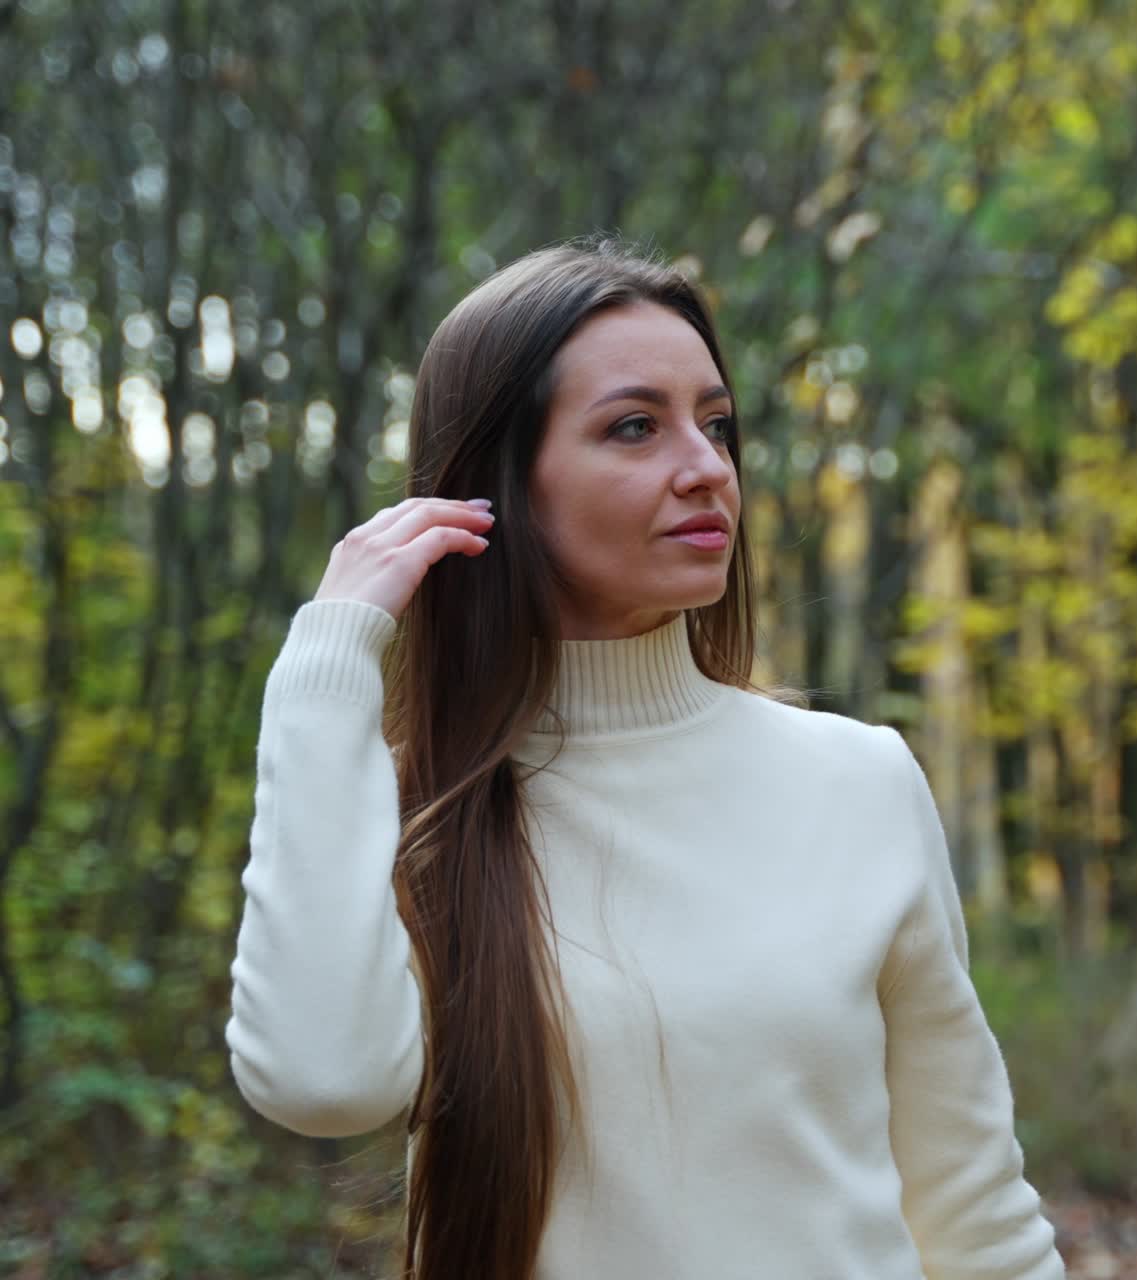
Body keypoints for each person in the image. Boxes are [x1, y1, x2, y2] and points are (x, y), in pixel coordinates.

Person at [225, 234, 1067, 1280]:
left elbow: (973, 1207)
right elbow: (321, 1078)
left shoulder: (860, 780)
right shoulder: (409, 812)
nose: (705, 467)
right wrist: (327, 661)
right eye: (634, 426)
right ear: (498, 484)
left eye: (715, 424)